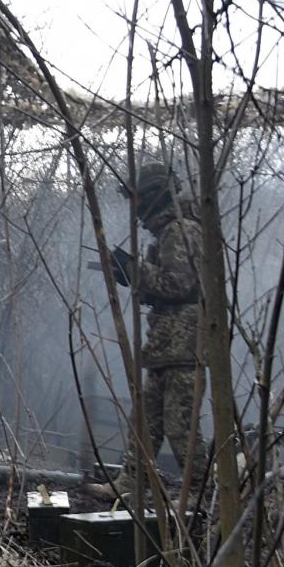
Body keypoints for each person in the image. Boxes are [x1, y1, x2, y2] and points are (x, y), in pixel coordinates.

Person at [84, 163, 207, 504]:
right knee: (146, 418)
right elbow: (167, 285)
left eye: (139, 199)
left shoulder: (182, 231)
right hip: (167, 344)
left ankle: (199, 493)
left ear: (153, 197)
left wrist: (134, 269)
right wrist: (132, 272)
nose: (135, 208)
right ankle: (132, 483)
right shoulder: (168, 231)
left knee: (180, 425)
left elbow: (179, 283)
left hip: (184, 346)